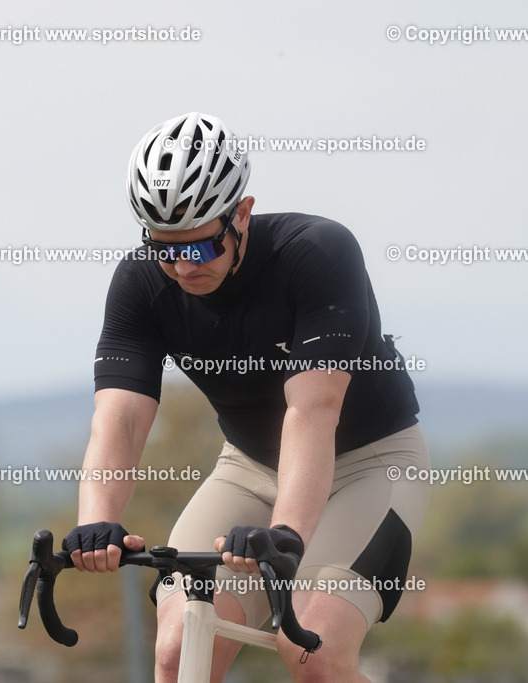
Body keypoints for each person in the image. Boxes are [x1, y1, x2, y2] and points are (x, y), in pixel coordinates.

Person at [63, 112, 431, 682]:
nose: (183, 267)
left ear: (242, 213)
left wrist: (286, 533)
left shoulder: (317, 253)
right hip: (250, 469)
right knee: (180, 646)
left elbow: (314, 411)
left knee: (313, 652)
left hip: (369, 466)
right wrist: (95, 522)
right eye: (165, 248)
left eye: (203, 247)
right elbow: (120, 421)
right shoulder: (140, 282)